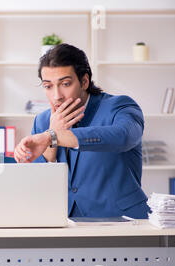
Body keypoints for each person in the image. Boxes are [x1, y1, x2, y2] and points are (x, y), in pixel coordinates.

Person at [14, 43, 149, 219]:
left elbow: (123, 137)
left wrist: (52, 136)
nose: (57, 95)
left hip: (122, 221)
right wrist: (50, 142)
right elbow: (42, 181)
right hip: (65, 222)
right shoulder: (42, 121)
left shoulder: (119, 106)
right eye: (48, 86)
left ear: (84, 81)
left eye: (65, 84)